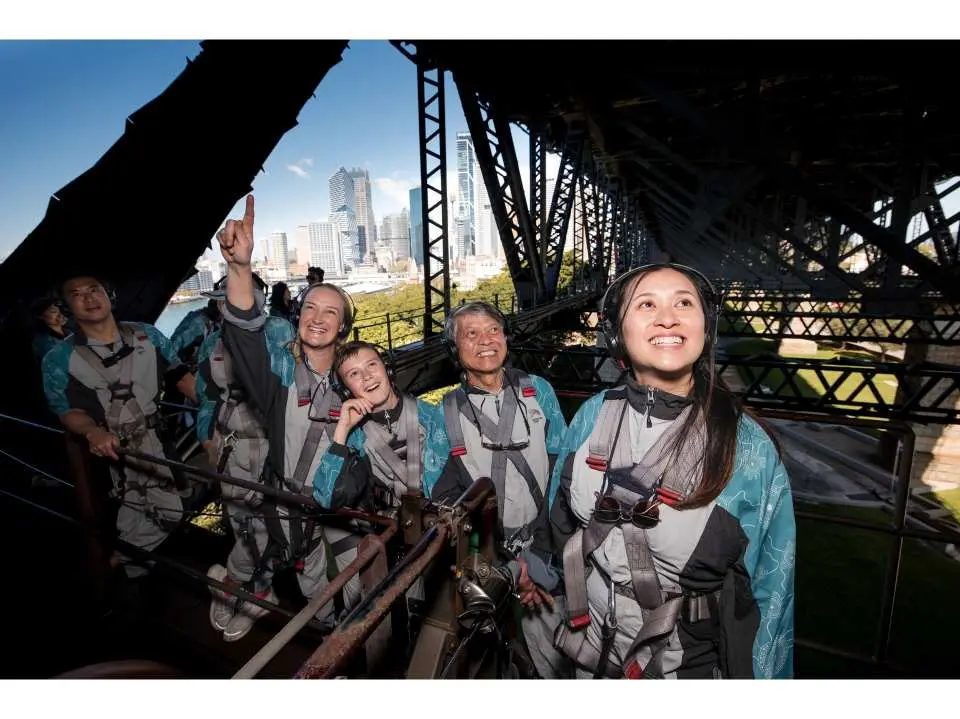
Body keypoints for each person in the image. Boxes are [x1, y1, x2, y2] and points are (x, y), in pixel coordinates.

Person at [548, 263, 795, 679]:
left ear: (705, 326)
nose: (668, 317)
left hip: (684, 666)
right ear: (617, 334)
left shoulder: (748, 449)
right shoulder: (592, 415)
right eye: (647, 304)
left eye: (684, 303)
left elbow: (772, 596)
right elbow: (559, 515)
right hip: (589, 654)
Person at [214, 195, 362, 640]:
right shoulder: (278, 373)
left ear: (343, 328)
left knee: (325, 590)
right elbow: (244, 330)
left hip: (335, 508)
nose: (318, 318)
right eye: (310, 308)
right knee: (252, 556)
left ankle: (329, 646)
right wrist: (240, 268)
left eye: (330, 312)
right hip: (280, 499)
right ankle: (239, 591)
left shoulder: (356, 379)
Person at [429, 301, 573, 679]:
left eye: (493, 330)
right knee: (510, 652)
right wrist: (511, 568)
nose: (486, 341)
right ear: (455, 350)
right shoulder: (445, 416)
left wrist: (539, 558)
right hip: (495, 561)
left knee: (569, 649)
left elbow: (563, 474)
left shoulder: (537, 391)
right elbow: (446, 508)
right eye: (470, 334)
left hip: (551, 547)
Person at [41, 274, 198, 578]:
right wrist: (92, 431)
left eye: (95, 290)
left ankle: (126, 569)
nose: (89, 298)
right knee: (132, 510)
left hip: (156, 440)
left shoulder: (148, 336)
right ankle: (118, 570)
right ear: (66, 306)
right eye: (77, 294)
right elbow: (65, 410)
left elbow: (180, 375)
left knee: (162, 509)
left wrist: (214, 407)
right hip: (110, 451)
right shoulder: (59, 359)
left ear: (109, 295)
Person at [194, 278, 294, 641]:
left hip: (269, 443)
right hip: (231, 447)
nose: (228, 303)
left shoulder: (279, 329)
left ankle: (242, 586)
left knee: (268, 523)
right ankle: (254, 590)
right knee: (239, 522)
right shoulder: (213, 340)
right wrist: (206, 439)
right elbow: (206, 396)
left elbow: (291, 385)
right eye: (223, 298)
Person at [313, 340, 442, 514]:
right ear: (346, 391)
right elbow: (327, 498)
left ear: (387, 369)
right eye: (354, 374)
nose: (367, 376)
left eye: (372, 364)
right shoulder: (355, 436)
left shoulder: (431, 416)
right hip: (389, 528)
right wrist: (342, 429)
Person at [30, 295, 71, 361]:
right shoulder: (43, 342)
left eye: (60, 309)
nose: (60, 314)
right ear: (40, 315)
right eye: (53, 311)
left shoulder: (70, 330)